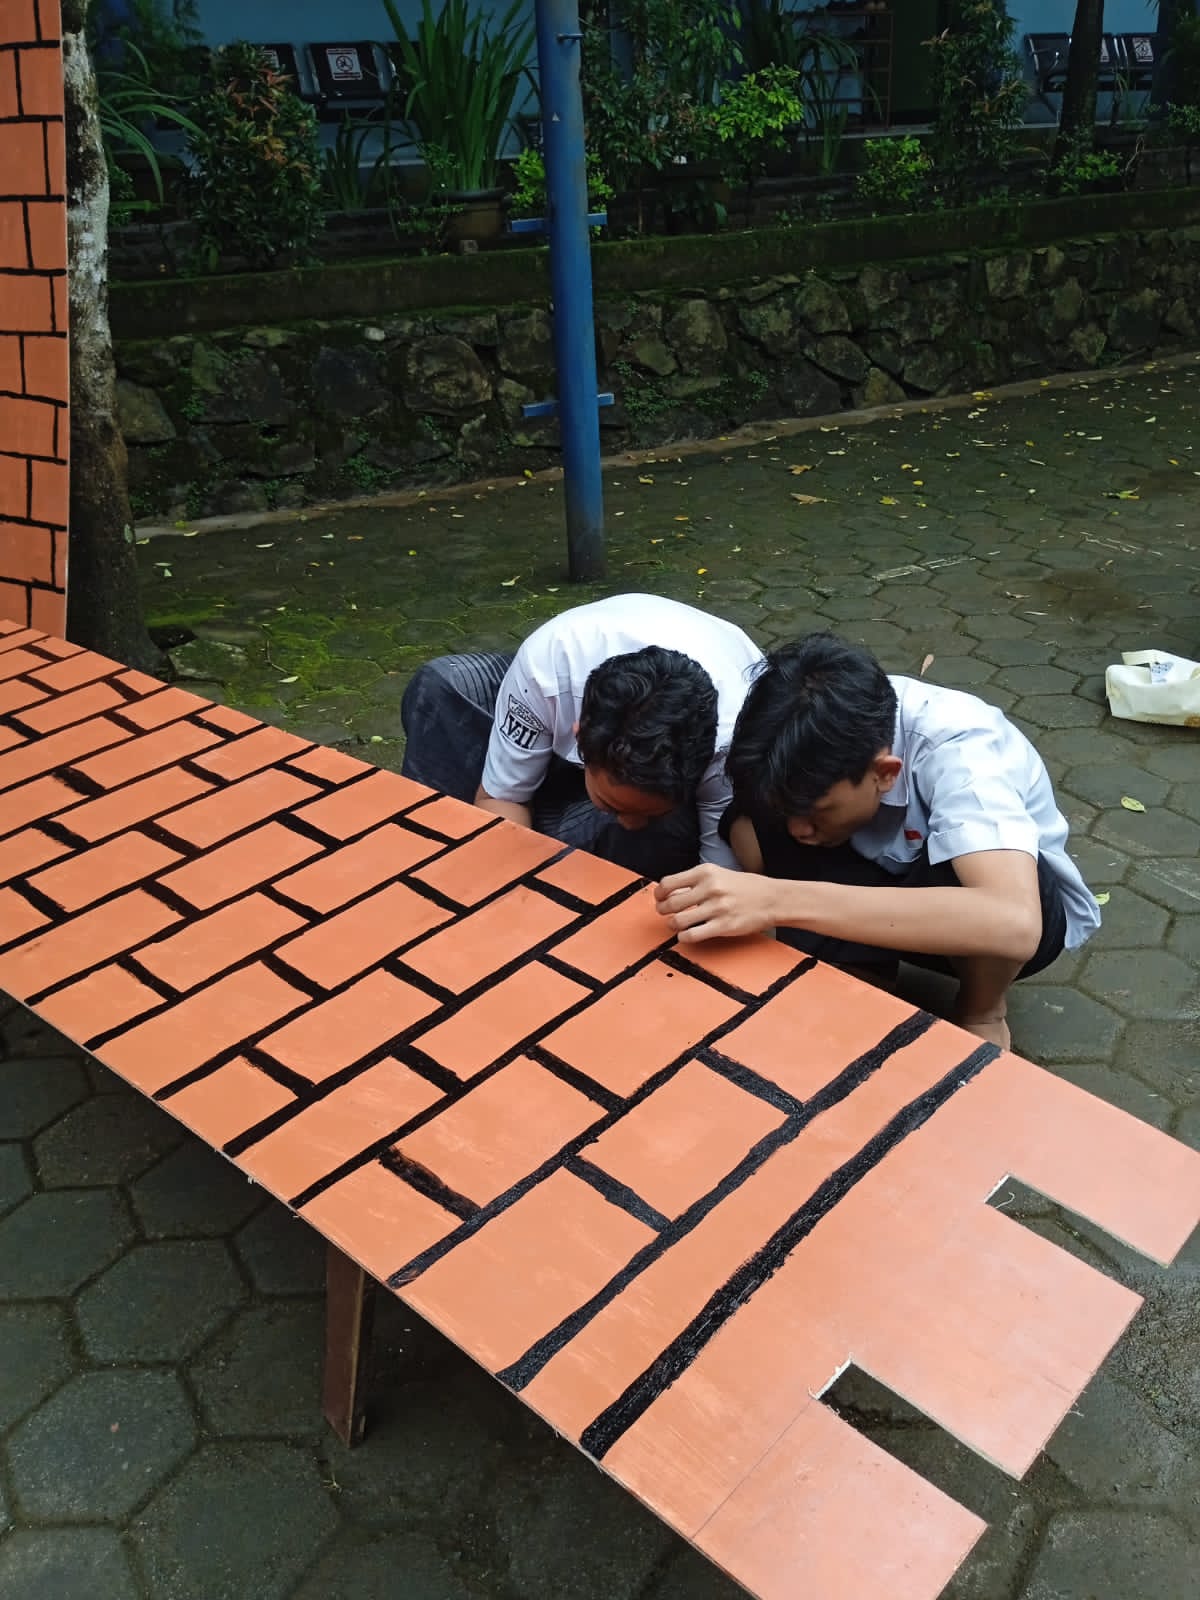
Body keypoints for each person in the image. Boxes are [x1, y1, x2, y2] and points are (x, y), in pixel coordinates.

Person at [655, 631, 1101, 1049]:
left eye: (819, 810)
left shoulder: (963, 751)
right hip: (882, 879)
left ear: (885, 773)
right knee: (760, 814)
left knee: (967, 870)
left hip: (1001, 921)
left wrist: (775, 899)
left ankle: (983, 1009)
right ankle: (854, 980)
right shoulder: (802, 732)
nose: (799, 829)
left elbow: (1015, 923)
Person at [400, 593, 763, 877]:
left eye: (648, 812)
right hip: (561, 694)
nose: (632, 821)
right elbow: (502, 799)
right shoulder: (546, 667)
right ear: (580, 738)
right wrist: (509, 886)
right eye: (614, 805)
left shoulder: (732, 740)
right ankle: (435, 846)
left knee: (634, 838)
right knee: (442, 685)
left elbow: (722, 877)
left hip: (704, 790)